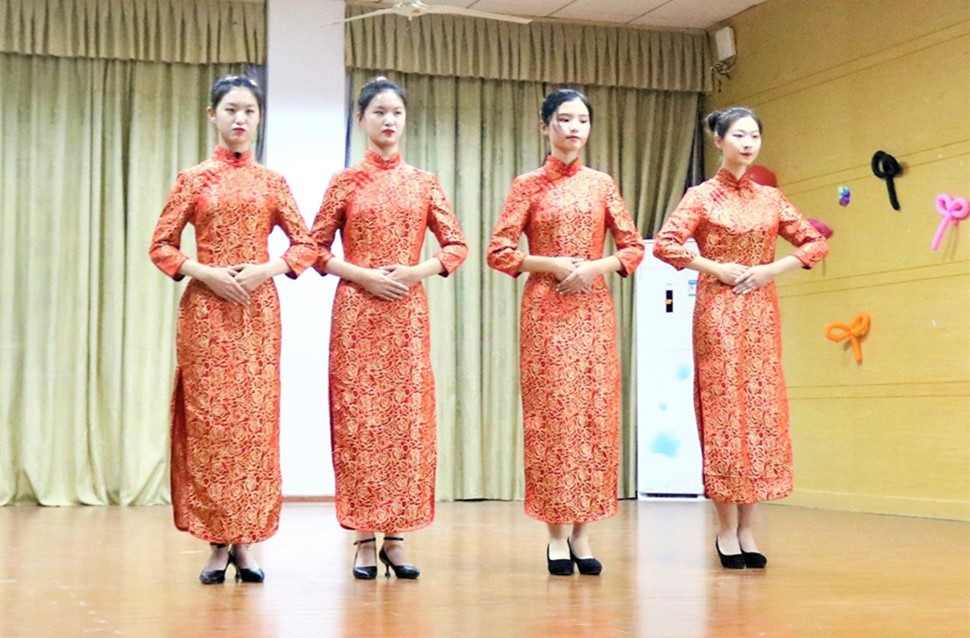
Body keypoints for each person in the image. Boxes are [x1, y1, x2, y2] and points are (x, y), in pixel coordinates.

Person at [148, 75, 317, 584]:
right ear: (212, 115)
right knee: (211, 427)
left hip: (257, 314)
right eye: (230, 110)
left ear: (259, 118)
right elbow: (161, 246)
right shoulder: (193, 179)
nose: (240, 119)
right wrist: (206, 273)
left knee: (253, 427)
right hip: (206, 314)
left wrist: (267, 269)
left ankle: (247, 542)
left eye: (249, 111)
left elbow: (305, 245)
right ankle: (216, 543)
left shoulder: (272, 182)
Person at [652, 107, 828, 569]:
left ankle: (749, 527)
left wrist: (772, 269)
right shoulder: (701, 196)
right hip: (717, 311)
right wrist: (714, 267)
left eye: (754, 136)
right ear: (719, 141)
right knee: (724, 415)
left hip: (761, 314)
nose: (748, 143)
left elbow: (814, 243)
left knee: (760, 414)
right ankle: (725, 528)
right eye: (739, 135)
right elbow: (667, 244)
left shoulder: (771, 198)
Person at [311, 77, 468, 580]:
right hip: (357, 313)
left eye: (396, 112)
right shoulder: (344, 182)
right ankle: (363, 536)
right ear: (361, 119)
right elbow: (313, 250)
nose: (389, 120)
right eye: (379, 112)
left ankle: (396, 538)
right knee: (360, 421)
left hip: (406, 315)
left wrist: (416, 271)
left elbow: (456, 246)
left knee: (404, 422)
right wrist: (362, 275)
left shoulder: (423, 182)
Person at [486, 88, 644, 576]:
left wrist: (596, 266)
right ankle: (556, 534)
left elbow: (633, 247)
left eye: (582, 120)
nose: (574, 128)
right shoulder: (527, 185)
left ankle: (583, 534)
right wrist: (550, 263)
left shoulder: (602, 184)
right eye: (564, 119)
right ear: (545, 126)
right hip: (546, 310)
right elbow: (499, 251)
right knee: (553, 419)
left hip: (592, 309)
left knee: (593, 417)